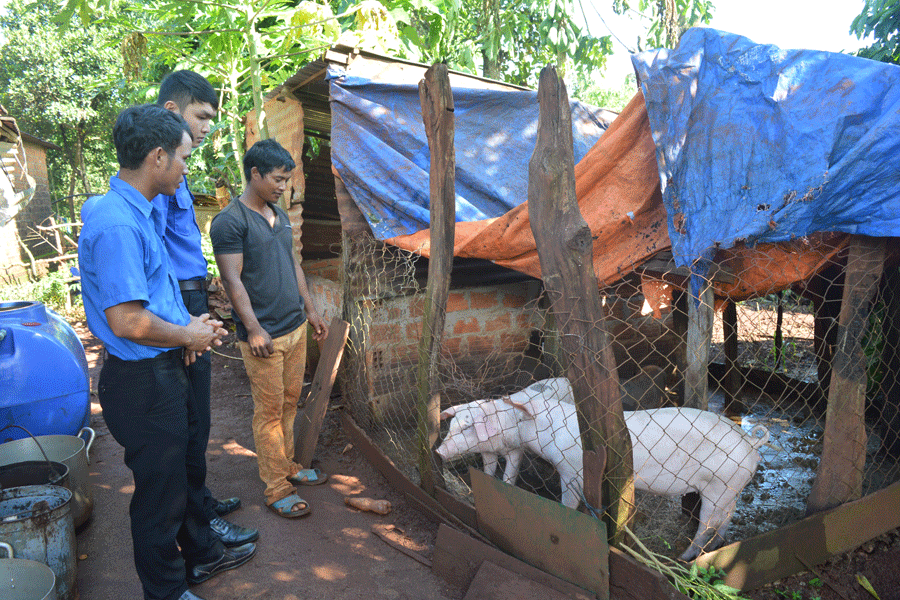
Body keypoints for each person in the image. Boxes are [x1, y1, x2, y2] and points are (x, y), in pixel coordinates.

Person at [78, 104, 256, 600]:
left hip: (155, 371)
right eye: (182, 157)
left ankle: (188, 570)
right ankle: (166, 593)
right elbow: (128, 321)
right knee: (158, 499)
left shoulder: (131, 209)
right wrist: (188, 336)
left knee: (172, 485)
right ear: (157, 157)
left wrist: (188, 326)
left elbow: (151, 294)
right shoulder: (118, 223)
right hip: (142, 381)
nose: (185, 169)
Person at [154, 69, 258, 548]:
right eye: (202, 116)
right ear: (173, 112)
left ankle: (200, 499)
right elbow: (155, 259)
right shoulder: (157, 171)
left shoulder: (180, 165)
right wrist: (182, 322)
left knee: (201, 414)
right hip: (180, 301)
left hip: (192, 296)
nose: (207, 127)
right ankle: (197, 520)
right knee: (191, 419)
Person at [210, 138, 329, 518]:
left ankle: (289, 465)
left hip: (295, 328)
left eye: (286, 180)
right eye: (277, 179)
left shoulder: (280, 215)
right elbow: (232, 279)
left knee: (291, 402)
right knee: (270, 413)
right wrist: (254, 328)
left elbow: (294, 265)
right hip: (264, 338)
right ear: (255, 173)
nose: (282, 186)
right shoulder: (229, 222)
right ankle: (276, 487)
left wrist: (311, 311)